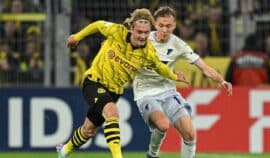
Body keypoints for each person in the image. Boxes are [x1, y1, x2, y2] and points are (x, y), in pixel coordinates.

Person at [56, 8, 188, 158]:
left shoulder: (148, 53)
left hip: (114, 92)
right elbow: (98, 25)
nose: (143, 36)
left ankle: (64, 150)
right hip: (94, 82)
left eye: (146, 32)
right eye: (139, 32)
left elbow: (159, 67)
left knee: (88, 130)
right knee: (112, 112)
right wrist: (77, 36)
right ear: (131, 29)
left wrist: (174, 76)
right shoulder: (117, 32)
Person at [132, 6, 232, 158]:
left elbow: (203, 67)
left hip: (168, 93)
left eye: (168, 26)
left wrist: (221, 80)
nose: (164, 30)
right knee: (163, 125)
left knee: (190, 134)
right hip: (145, 93)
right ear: (154, 24)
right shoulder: (142, 37)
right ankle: (152, 154)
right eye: (161, 25)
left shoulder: (178, 44)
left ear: (174, 25)